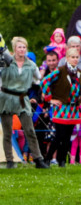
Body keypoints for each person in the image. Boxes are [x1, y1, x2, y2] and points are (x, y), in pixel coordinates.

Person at [0, 36, 49, 168]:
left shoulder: (31, 65)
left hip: (22, 98)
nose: (22, 49)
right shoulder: (5, 62)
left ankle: (38, 159)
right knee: (7, 131)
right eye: (19, 47)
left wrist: (41, 93)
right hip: (6, 97)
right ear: (14, 49)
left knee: (29, 130)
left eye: (24, 47)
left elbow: (38, 80)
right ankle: (10, 160)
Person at [42, 47, 81, 167]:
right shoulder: (60, 70)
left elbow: (80, 88)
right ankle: (48, 159)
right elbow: (45, 81)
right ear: (67, 58)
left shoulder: (80, 73)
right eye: (72, 57)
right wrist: (50, 99)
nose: (75, 59)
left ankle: (62, 161)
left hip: (73, 109)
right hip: (61, 108)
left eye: (77, 57)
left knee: (67, 136)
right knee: (59, 135)